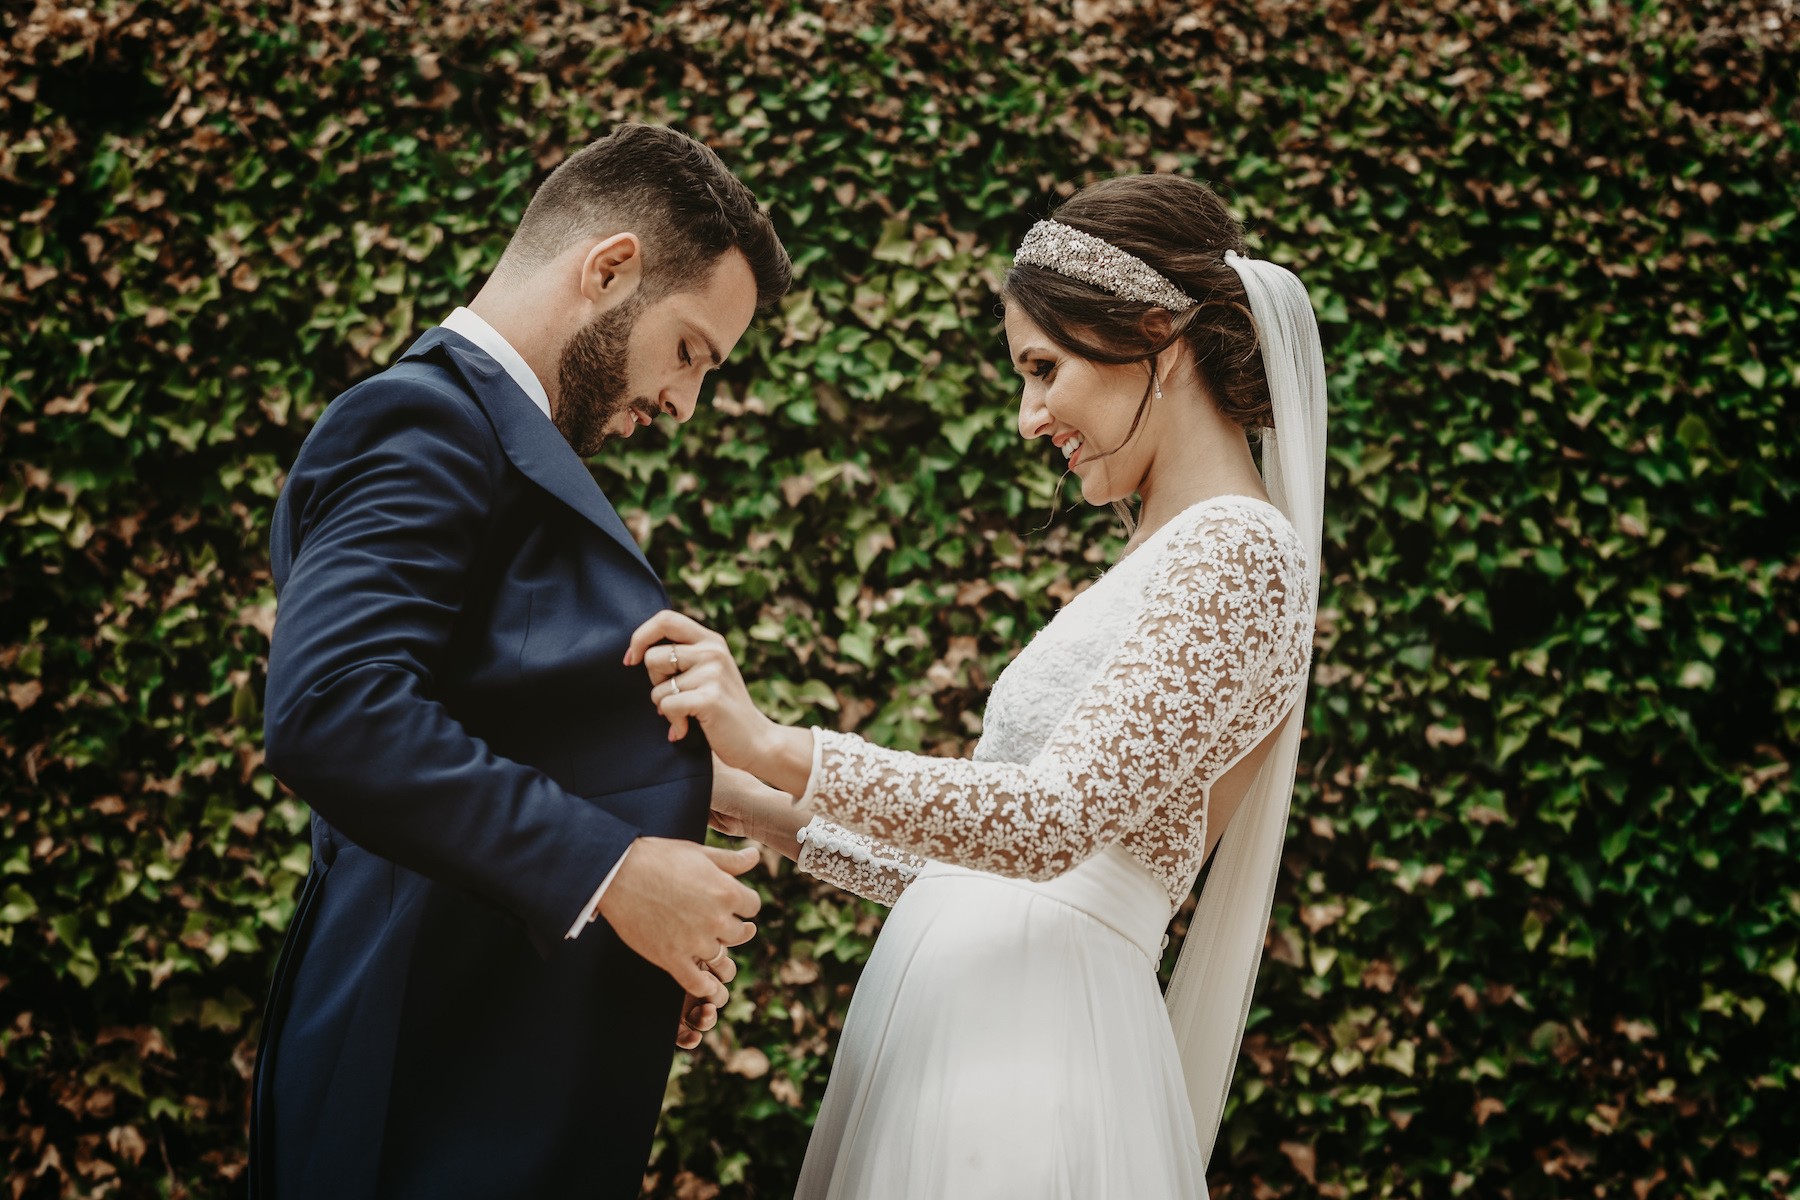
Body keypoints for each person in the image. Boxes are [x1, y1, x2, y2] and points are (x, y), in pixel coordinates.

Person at [628, 172, 1328, 1197]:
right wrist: (728, 791)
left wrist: (778, 740)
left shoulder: (1242, 553)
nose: (1026, 416)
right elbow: (976, 860)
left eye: (1043, 368)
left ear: (1156, 340)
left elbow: (1054, 823)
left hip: (1036, 1049)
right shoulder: (1165, 559)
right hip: (971, 1024)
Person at [252, 124, 792, 1199]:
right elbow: (334, 708)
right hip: (413, 1066)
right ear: (610, 269)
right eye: (690, 351)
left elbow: (494, 720)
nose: (685, 406)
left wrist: (659, 872)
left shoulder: (494, 437)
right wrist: (616, 875)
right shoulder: (424, 422)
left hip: (482, 1052)